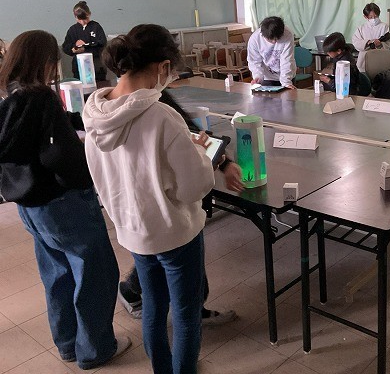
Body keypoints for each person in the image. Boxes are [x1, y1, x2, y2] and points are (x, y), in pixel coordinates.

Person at [83, 24, 214, 373]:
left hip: (133, 231)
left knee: (154, 307)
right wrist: (199, 154)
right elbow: (193, 187)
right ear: (163, 67)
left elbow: (101, 178)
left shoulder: (94, 115)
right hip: (174, 233)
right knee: (185, 315)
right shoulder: (162, 116)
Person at [0, 30, 130, 369]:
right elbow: (58, 154)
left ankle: (68, 344)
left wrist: (76, 121)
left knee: (57, 274)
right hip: (63, 203)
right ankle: (96, 350)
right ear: (44, 61)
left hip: (29, 204)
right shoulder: (40, 96)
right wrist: (86, 166)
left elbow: (38, 135)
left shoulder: (11, 93)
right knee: (95, 274)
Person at [117, 89, 243, 321]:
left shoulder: (154, 97)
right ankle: (187, 311)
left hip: (153, 210)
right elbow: (193, 180)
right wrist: (204, 165)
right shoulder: (138, 107)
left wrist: (224, 162)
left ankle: (137, 293)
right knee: (169, 261)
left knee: (160, 261)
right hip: (162, 205)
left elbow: (190, 132)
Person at [62, 1, 108, 82]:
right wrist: (73, 48)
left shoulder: (96, 27)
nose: (83, 22)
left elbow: (102, 44)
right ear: (75, 17)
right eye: (80, 19)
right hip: (79, 67)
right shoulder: (73, 30)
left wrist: (86, 48)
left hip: (96, 66)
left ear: (89, 14)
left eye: (85, 19)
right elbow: (65, 47)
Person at [247, 16, 296, 88]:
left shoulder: (287, 34)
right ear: (263, 35)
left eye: (277, 39)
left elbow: (287, 60)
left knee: (288, 94)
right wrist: (258, 76)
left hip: (287, 76)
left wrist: (286, 83)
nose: (274, 41)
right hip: (267, 78)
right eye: (270, 39)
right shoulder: (255, 39)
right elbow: (254, 61)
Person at [352, 2, 390, 72]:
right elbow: (355, 42)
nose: (373, 19)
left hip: (379, 59)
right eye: (370, 17)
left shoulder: (384, 26)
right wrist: (367, 42)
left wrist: (380, 44)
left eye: (376, 16)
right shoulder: (361, 28)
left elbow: (388, 43)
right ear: (365, 17)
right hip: (364, 60)